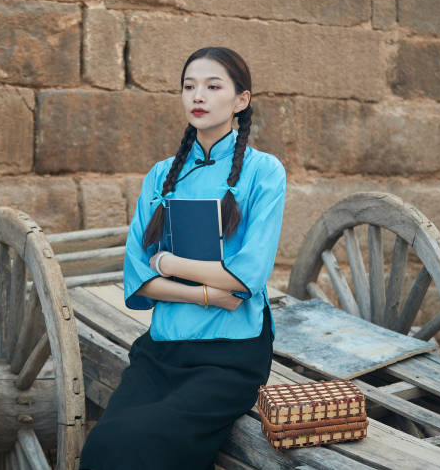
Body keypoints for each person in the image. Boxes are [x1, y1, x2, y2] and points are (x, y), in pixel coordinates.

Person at [78, 46, 286, 470]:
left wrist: (169, 264)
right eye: (189, 86)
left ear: (240, 101)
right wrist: (207, 293)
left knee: (147, 446)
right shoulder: (160, 174)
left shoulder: (265, 172)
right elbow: (137, 276)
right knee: (103, 445)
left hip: (230, 354)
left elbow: (248, 275)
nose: (198, 96)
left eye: (213, 86)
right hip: (163, 348)